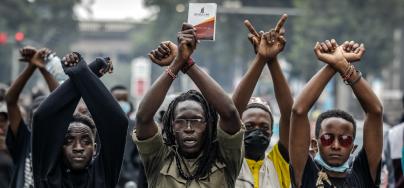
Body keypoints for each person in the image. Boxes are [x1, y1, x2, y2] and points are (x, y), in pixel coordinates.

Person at [133, 23, 244, 188]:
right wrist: (177, 63)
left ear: (208, 125)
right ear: (171, 125)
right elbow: (143, 117)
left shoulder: (224, 157)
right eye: (181, 121)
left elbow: (229, 112)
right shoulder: (159, 157)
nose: (189, 128)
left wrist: (187, 63)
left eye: (197, 120)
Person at [289, 39, 383, 187]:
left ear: (353, 147)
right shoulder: (305, 173)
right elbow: (298, 111)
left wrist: (341, 64)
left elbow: (375, 112)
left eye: (345, 140)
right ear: (315, 143)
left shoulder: (364, 174)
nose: (336, 145)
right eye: (327, 138)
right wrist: (336, 63)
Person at [32, 52, 128, 188]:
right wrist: (86, 72)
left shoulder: (103, 176)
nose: (78, 148)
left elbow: (117, 123)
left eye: (86, 141)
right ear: (58, 147)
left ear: (94, 149)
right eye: (69, 141)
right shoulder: (48, 177)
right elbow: (42, 118)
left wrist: (84, 72)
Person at [231, 15, 293, 188]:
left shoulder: (278, 163)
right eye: (249, 126)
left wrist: (272, 59)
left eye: (264, 127)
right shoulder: (226, 160)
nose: (257, 131)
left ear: (272, 132)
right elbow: (232, 113)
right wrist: (261, 58)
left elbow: (289, 116)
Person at [5, 47, 59, 188]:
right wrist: (31, 66)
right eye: (37, 117)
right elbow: (10, 100)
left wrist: (43, 68)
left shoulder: (60, 142)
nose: (41, 122)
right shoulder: (24, 140)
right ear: (29, 120)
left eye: (46, 117)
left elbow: (61, 99)